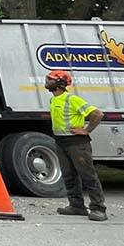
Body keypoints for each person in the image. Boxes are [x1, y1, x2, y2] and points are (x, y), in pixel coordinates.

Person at [45, 69, 107, 221]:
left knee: (87, 175)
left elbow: (97, 114)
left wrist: (86, 130)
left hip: (76, 143)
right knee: (68, 175)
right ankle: (77, 206)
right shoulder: (53, 100)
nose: (46, 81)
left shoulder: (71, 99)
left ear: (59, 83)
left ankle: (98, 209)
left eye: (50, 79)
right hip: (61, 141)